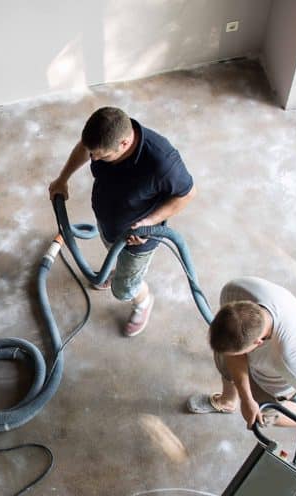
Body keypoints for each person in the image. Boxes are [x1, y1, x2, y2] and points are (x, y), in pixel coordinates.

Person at [188, 276, 296, 482]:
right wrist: (246, 397)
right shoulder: (235, 291)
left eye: (243, 351)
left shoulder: (294, 361)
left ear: (259, 342)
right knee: (223, 355)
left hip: (279, 380)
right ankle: (228, 401)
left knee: (267, 414)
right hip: (263, 356)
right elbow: (234, 354)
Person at [48, 107, 196, 337]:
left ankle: (143, 301)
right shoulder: (106, 136)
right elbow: (86, 149)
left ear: (124, 144)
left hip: (137, 240)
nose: (94, 159)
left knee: (125, 289)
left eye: (102, 156)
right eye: (93, 153)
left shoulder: (162, 163)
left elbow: (187, 194)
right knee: (113, 254)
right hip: (110, 224)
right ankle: (117, 270)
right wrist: (62, 178)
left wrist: (149, 222)